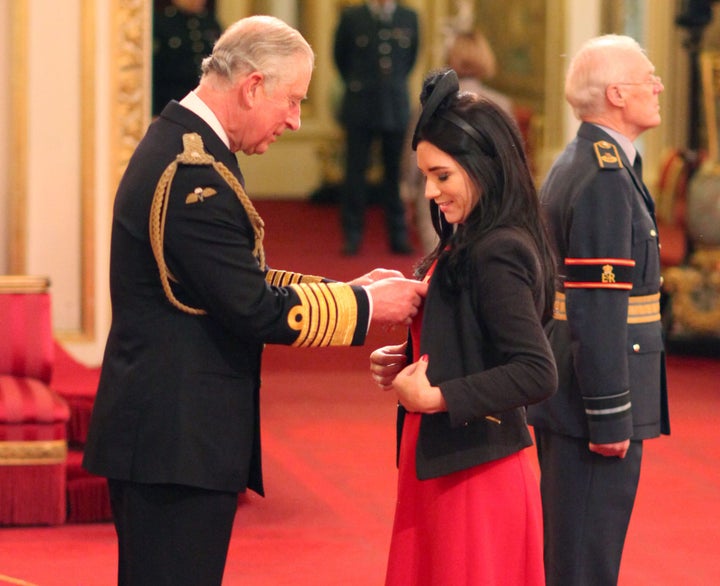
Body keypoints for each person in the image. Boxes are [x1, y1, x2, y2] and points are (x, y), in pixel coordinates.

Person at [83, 15, 427, 586]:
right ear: (252, 86)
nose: (295, 120)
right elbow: (252, 306)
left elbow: (232, 278)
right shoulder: (194, 174)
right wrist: (366, 310)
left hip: (170, 436)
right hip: (176, 445)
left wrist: (348, 290)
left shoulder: (187, 147)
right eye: (291, 101)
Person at [369, 69, 558, 586]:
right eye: (426, 175)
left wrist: (437, 397)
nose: (430, 191)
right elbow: (478, 340)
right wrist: (411, 355)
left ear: (484, 166)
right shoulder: (472, 236)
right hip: (447, 463)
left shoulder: (496, 250)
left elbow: (536, 371)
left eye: (442, 175)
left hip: (475, 477)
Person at [526, 35, 671, 586]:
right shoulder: (605, 179)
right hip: (593, 405)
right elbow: (595, 309)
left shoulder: (587, 160)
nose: (658, 86)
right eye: (648, 78)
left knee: (579, 555)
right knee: (585, 565)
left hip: (574, 394)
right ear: (616, 94)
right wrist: (610, 415)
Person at [401, 29, 514, 253]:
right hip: (488, 198)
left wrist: (408, 192)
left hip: (437, 193)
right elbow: (509, 160)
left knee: (439, 258)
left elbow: (414, 152)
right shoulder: (501, 104)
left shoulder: (433, 103)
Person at [333, 0, 420, 255]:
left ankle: (398, 235)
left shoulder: (409, 17)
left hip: (395, 105)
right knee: (355, 173)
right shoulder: (352, 17)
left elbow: (410, 58)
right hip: (360, 104)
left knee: (395, 174)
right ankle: (352, 235)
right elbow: (340, 58)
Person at [152, 0, 222, 116]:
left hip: (205, 104)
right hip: (172, 103)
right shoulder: (161, 23)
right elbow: (154, 73)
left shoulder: (210, 22)